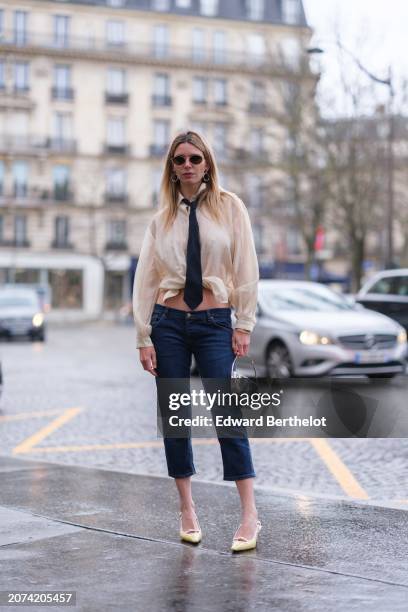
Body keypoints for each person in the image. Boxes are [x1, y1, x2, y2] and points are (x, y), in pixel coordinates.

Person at [132, 130, 261, 552]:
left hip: (214, 323)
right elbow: (145, 280)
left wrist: (243, 324)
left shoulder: (230, 208)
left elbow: (246, 268)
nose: (187, 165)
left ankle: (249, 515)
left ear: (207, 163)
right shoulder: (162, 219)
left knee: (227, 415)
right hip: (168, 322)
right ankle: (187, 509)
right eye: (179, 159)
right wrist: (143, 335)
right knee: (175, 417)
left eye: (195, 158)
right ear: (171, 167)